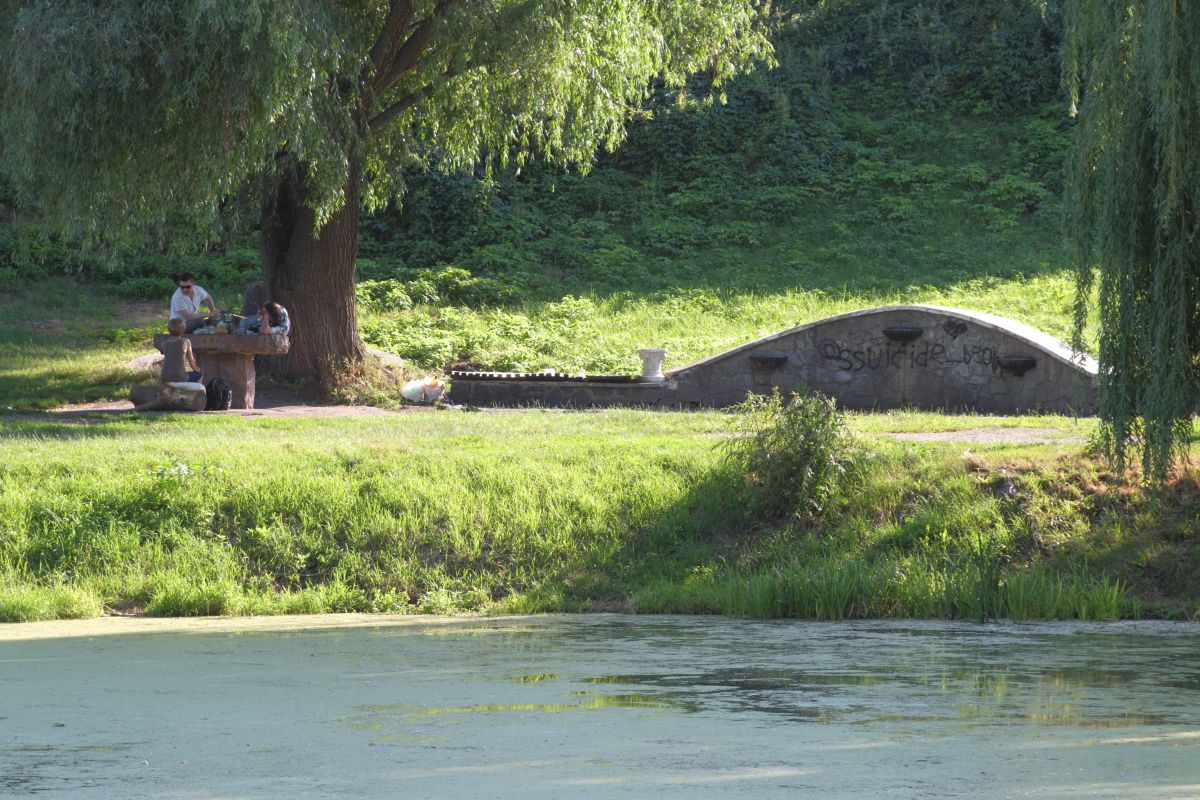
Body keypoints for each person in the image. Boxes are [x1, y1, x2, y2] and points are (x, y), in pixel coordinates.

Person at [160, 318, 202, 383]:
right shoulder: (186, 341)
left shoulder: (164, 344)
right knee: (199, 374)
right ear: (183, 329)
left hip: (164, 377)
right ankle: (197, 391)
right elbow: (191, 361)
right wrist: (197, 369)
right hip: (180, 378)